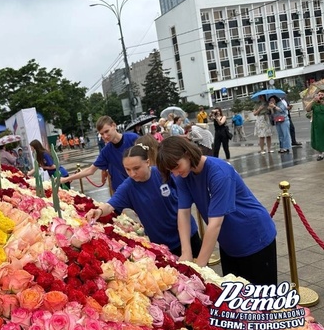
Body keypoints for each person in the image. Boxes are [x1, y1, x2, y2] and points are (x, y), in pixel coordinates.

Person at [156, 136, 278, 285]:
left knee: (263, 298)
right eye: (171, 170)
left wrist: (199, 267)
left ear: (187, 153)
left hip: (253, 236)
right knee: (235, 298)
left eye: (176, 166)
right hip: (228, 242)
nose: (175, 173)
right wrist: (186, 250)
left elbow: (215, 224)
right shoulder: (183, 176)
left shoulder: (219, 172)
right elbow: (183, 213)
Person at [86, 141, 201, 258]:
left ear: (147, 162)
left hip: (188, 236)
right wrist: (99, 211)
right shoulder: (128, 187)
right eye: (128, 169)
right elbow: (110, 205)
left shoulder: (164, 173)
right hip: (162, 245)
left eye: (136, 168)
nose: (132, 174)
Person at [61, 116, 138, 194]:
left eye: (107, 131)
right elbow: (90, 170)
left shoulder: (133, 139)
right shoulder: (106, 151)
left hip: (142, 183)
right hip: (125, 189)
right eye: (101, 134)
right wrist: (66, 179)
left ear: (114, 126)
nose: (105, 136)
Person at [305, 88, 324, 160]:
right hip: (317, 124)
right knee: (318, 138)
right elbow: (307, 109)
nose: (320, 96)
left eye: (322, 94)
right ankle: (320, 154)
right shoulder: (314, 104)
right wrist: (313, 100)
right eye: (319, 95)